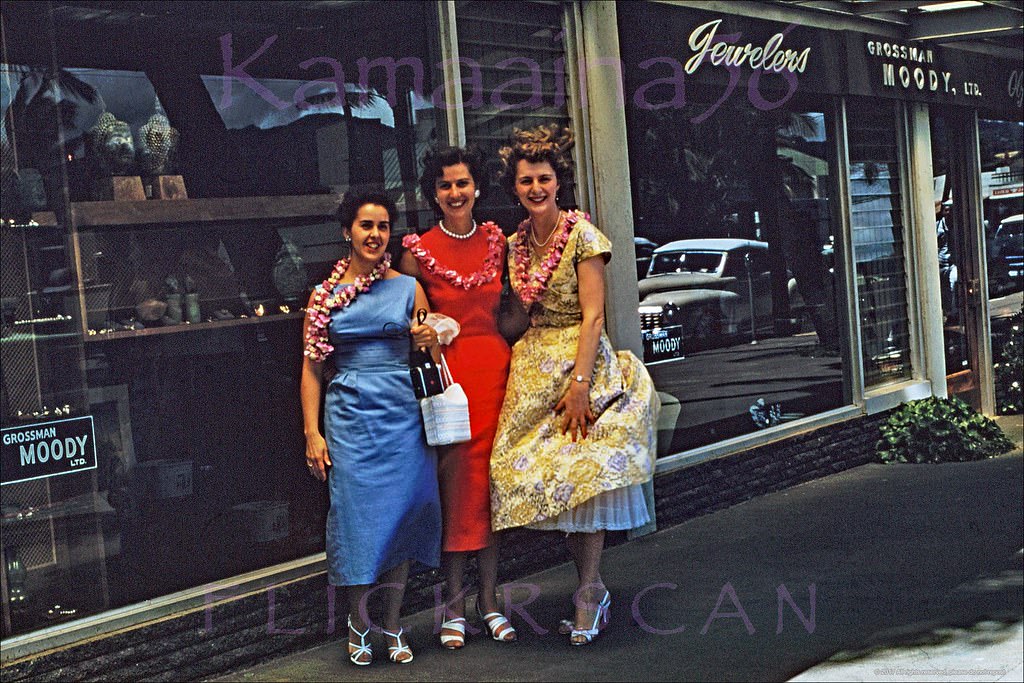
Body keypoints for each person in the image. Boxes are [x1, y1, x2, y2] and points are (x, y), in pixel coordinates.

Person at [489, 124, 659, 645]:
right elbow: (517, 321)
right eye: (525, 181)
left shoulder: (582, 236)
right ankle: (587, 585)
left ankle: (589, 591)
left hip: (581, 364)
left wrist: (581, 385)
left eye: (543, 179)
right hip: (531, 369)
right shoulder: (515, 244)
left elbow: (593, 316)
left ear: (558, 182)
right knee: (528, 474)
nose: (535, 189)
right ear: (514, 187)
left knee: (583, 472)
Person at [300, 191, 442, 666]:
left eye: (383, 226)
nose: (375, 235)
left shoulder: (408, 289)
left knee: (402, 515)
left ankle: (395, 620)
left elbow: (434, 359)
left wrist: (429, 340)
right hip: (349, 417)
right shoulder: (323, 298)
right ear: (347, 231)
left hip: (402, 414)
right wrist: (312, 433)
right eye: (366, 225)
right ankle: (359, 622)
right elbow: (312, 369)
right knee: (357, 522)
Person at [398, 146, 517, 649]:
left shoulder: (497, 242)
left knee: (491, 490)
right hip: (449, 386)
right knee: (456, 495)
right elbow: (409, 325)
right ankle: (452, 604)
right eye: (445, 185)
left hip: (498, 374)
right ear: (433, 193)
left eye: (463, 183)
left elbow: (514, 307)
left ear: (477, 188)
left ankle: (490, 601)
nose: (455, 193)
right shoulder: (416, 250)